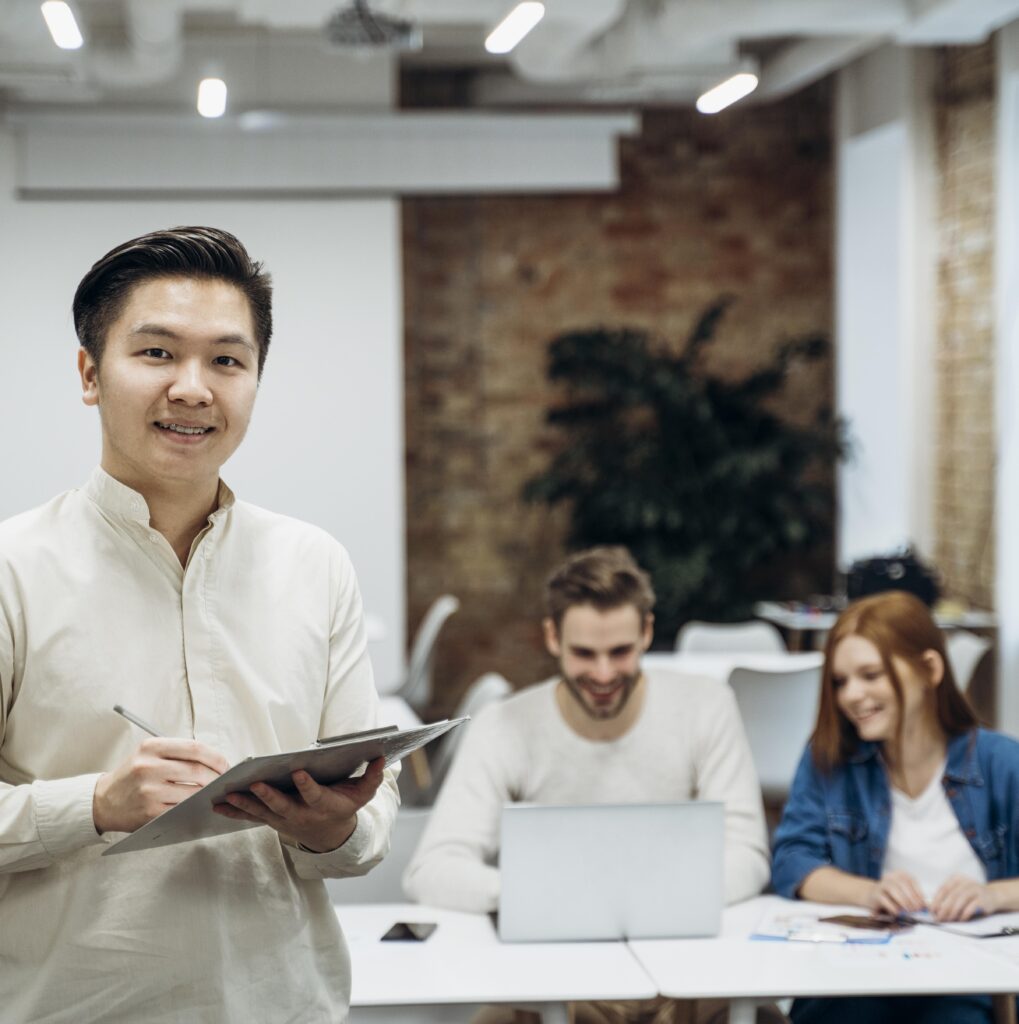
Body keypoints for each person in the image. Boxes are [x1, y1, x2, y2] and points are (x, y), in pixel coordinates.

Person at [0, 226, 400, 1023]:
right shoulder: (13, 567)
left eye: (226, 360)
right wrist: (95, 806)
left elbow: (369, 823)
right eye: (156, 353)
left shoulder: (314, 565)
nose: (193, 388)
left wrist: (332, 827)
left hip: (284, 1005)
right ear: (89, 373)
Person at [404, 545, 772, 1024]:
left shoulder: (707, 707)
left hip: (686, 970)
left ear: (646, 632)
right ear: (552, 638)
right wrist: (547, 898)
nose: (602, 674)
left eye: (619, 652)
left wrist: (629, 900)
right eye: (584, 653)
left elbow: (748, 853)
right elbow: (432, 870)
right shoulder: (504, 725)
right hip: (554, 974)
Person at [772, 590, 1019, 1024]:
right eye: (840, 681)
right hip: (854, 979)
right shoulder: (828, 759)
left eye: (871, 674)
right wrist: (868, 892)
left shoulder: (1001, 763)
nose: (852, 695)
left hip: (964, 979)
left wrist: (991, 895)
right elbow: (793, 861)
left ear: (930, 669)